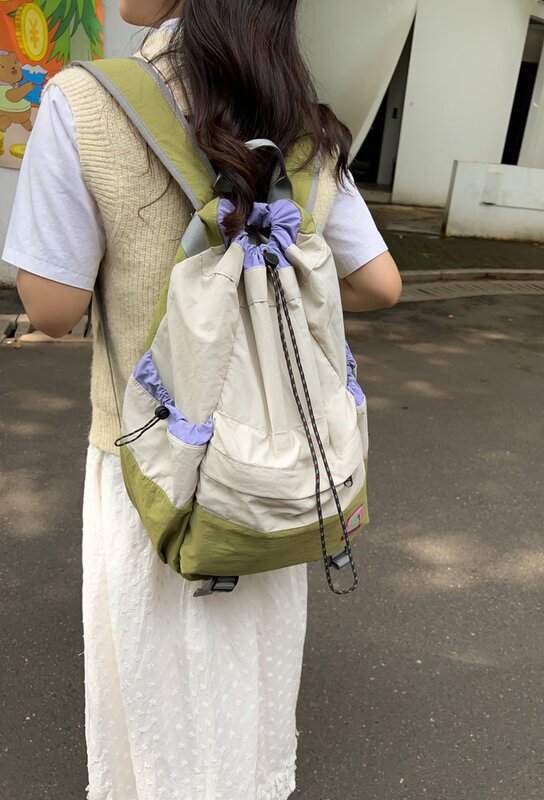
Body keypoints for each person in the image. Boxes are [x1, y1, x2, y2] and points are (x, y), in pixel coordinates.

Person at [3, 1, 402, 797]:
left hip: (147, 469)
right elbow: (380, 285)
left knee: (153, 706)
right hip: (272, 468)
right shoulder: (305, 126)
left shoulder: (85, 101)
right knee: (243, 698)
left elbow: (51, 307)